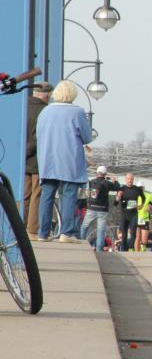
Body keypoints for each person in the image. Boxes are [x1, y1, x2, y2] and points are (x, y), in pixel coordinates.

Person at [36, 80, 94, 243]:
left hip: (48, 159)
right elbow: (87, 137)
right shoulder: (77, 112)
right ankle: (66, 233)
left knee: (47, 195)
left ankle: (43, 233)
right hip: (69, 159)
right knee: (68, 195)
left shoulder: (45, 111)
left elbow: (38, 134)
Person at [24, 81, 51, 237]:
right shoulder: (45, 111)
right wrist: (29, 151)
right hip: (37, 159)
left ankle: (18, 225)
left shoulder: (22, 106)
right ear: (46, 95)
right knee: (36, 194)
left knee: (23, 193)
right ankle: (32, 229)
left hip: (22, 159)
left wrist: (22, 153)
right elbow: (38, 136)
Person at [81, 166, 120, 252]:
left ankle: (81, 244)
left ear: (96, 173)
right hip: (103, 209)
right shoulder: (107, 183)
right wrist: (115, 181)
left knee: (84, 226)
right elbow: (118, 187)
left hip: (91, 208)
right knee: (101, 231)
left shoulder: (91, 182)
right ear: (105, 174)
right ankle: (99, 250)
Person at [116, 173, 143, 252]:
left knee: (133, 232)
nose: (130, 181)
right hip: (124, 214)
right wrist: (118, 197)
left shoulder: (137, 189)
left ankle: (131, 247)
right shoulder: (122, 189)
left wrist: (140, 205)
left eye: (131, 179)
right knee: (124, 233)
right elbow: (115, 203)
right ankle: (124, 250)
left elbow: (143, 198)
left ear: (133, 180)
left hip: (133, 214)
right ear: (125, 179)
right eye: (128, 179)